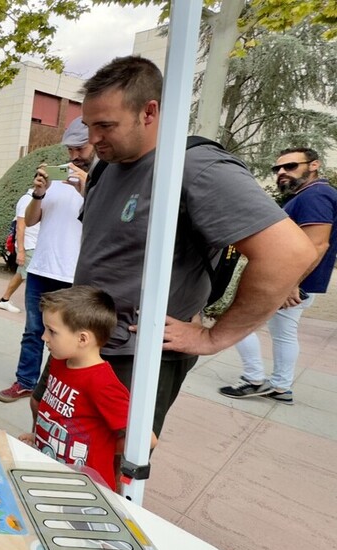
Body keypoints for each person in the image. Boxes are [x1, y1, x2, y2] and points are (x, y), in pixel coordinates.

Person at [33, 56, 315, 438]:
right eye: (89, 126)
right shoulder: (105, 167)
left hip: (136, 355)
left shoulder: (195, 167)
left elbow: (290, 252)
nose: (93, 139)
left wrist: (215, 336)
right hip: (79, 338)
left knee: (105, 463)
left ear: (149, 112)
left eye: (105, 126)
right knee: (49, 426)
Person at [222, 148, 337, 405]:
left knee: (236, 321)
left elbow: (318, 244)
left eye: (291, 166)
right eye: (278, 169)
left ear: (314, 165)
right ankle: (280, 386)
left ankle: (254, 379)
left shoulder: (315, 195)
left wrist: (291, 283)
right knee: (284, 332)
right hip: (295, 282)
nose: (282, 172)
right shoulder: (309, 195)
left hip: (290, 283)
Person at [18, 286, 155, 490]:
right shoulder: (59, 361)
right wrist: (40, 438)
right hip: (54, 471)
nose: (44, 337)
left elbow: (147, 440)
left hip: (86, 486)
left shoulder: (102, 383)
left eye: (52, 331)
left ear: (82, 339)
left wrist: (100, 449)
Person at [0, 118, 92, 403]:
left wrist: (88, 187)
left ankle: (61, 390)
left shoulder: (103, 181)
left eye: (81, 149)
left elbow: (106, 219)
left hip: (74, 274)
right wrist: (39, 191)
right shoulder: (56, 180)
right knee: (34, 331)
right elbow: (33, 217)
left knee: (69, 337)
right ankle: (25, 381)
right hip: (41, 269)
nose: (75, 156)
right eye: (70, 150)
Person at [0, 186, 41, 313]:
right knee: (32, 277)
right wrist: (21, 251)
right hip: (29, 245)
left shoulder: (36, 199)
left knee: (21, 274)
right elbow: (20, 227)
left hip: (33, 244)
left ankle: (4, 300)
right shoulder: (27, 200)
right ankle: (35, 309)